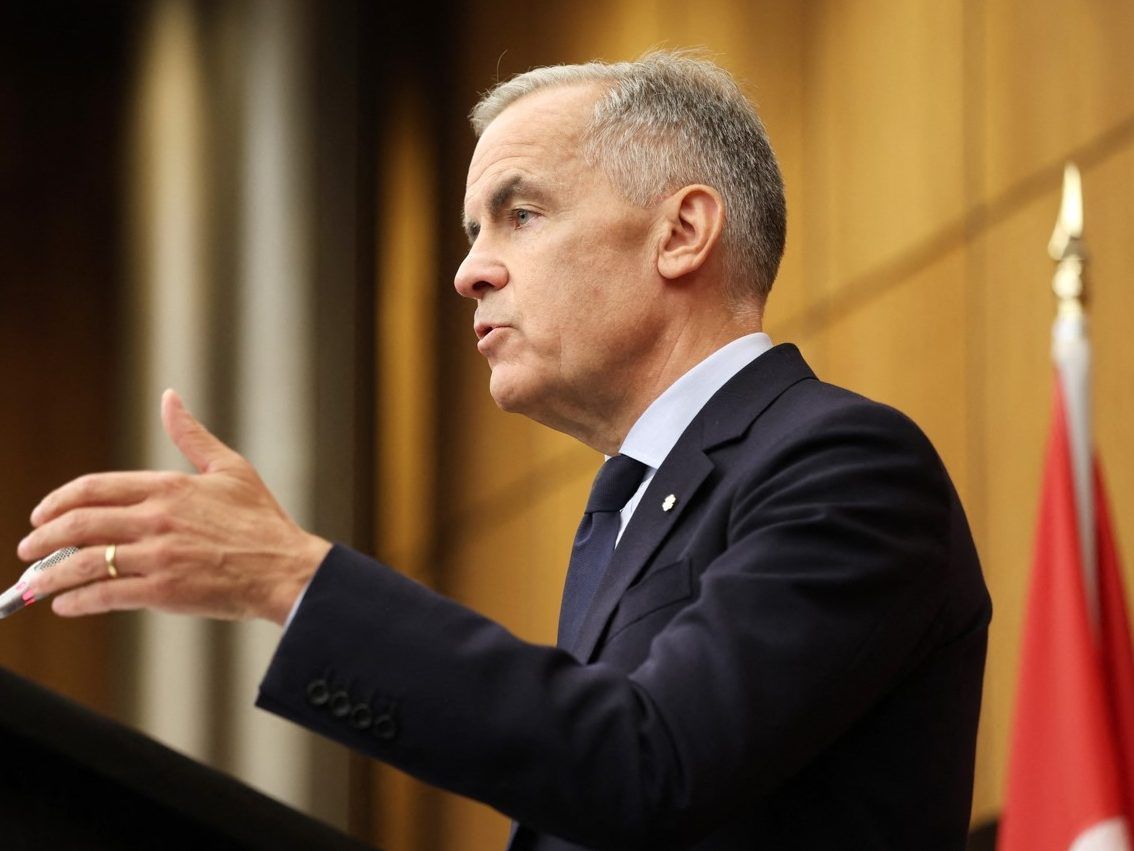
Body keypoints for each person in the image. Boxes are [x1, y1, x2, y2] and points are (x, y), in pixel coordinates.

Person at [17, 52, 990, 849]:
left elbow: (644, 766)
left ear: (682, 231)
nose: (467, 270)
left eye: (519, 215)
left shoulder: (845, 464)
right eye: (473, 228)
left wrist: (296, 579)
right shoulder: (625, 508)